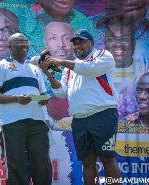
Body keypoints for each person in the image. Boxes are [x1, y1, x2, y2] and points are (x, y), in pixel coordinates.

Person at [40, 29, 120, 185]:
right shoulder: (70, 69)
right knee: (87, 161)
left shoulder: (103, 56)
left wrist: (61, 62)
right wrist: (50, 76)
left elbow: (89, 70)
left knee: (107, 158)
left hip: (102, 115)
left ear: (91, 43)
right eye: (75, 43)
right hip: (79, 120)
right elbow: (63, 93)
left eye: (81, 42)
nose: (77, 46)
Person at [0, 33, 51, 185]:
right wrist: (16, 99)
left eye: (26, 42)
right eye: (19, 42)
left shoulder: (34, 69)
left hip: (37, 122)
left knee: (42, 165)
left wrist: (43, 100)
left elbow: (43, 94)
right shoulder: (0, 66)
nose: (24, 45)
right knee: (16, 166)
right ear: (9, 46)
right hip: (12, 123)